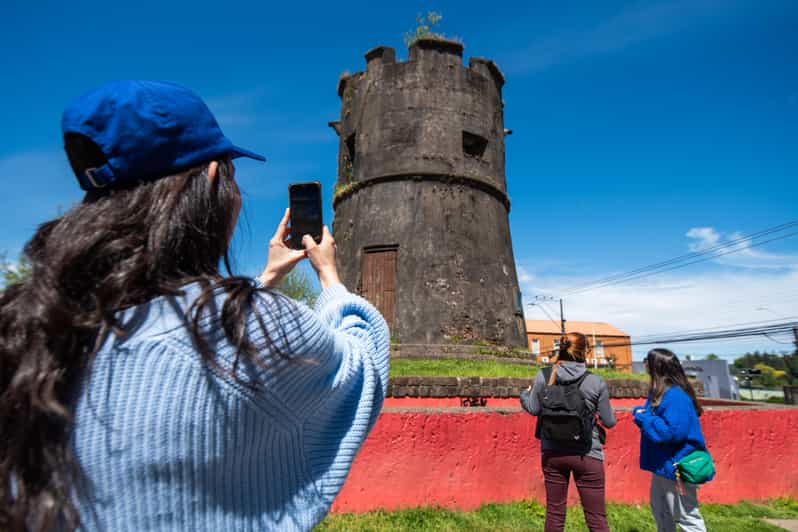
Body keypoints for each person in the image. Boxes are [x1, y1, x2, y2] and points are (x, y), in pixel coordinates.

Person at [0, 80, 390, 532]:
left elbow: (169, 317)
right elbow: (361, 362)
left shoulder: (29, 328)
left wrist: (263, 279)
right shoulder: (246, 329)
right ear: (211, 178)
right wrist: (329, 277)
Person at [520, 332, 616, 532]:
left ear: (560, 349)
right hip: (587, 453)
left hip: (553, 453)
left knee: (555, 515)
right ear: (585, 351)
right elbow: (609, 422)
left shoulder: (544, 375)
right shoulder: (595, 381)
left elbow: (533, 408)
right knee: (596, 518)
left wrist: (524, 394)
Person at [633, 348, 710, 532]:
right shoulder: (660, 393)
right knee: (662, 512)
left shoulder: (675, 396)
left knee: (686, 517)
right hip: (663, 465)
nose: (644, 364)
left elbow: (671, 433)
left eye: (647, 360)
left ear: (655, 366)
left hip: (676, 465)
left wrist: (643, 417)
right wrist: (643, 416)